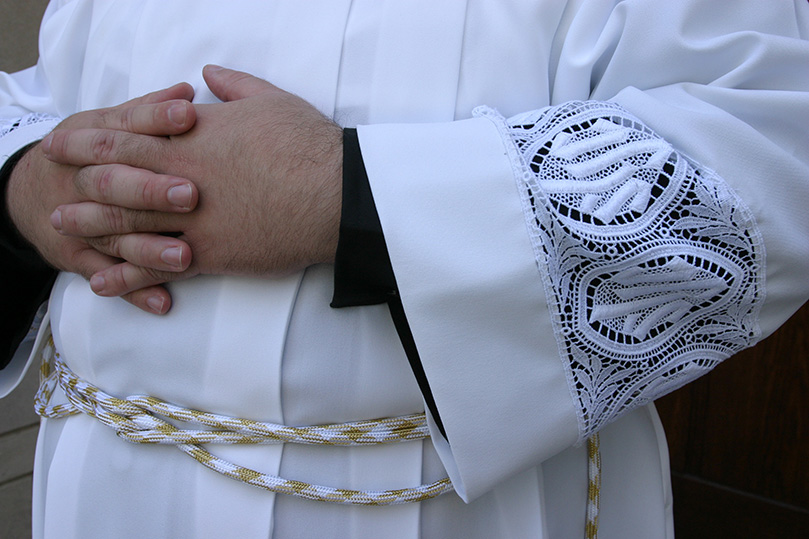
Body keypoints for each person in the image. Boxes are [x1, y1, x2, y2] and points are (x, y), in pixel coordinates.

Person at [2, 1, 808, 537]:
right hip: (109, 489)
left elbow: (771, 142)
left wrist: (345, 193)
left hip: (472, 508)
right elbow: (44, 89)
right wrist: (24, 180)